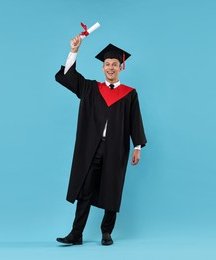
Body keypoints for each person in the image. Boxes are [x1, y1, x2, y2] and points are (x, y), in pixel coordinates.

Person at [55, 35, 147, 246]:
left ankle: (107, 232)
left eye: (115, 64)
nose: (111, 68)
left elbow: (135, 120)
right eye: (107, 64)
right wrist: (74, 51)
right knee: (84, 188)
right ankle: (76, 234)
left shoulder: (129, 94)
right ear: (102, 68)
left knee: (112, 187)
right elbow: (68, 76)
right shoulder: (91, 89)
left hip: (116, 148)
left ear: (121, 67)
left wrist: (138, 146)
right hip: (91, 148)